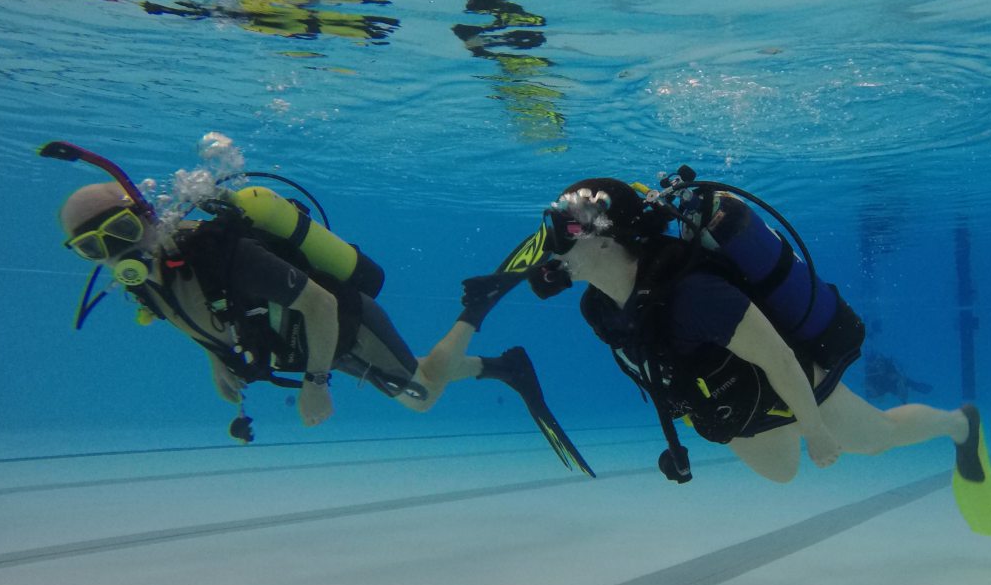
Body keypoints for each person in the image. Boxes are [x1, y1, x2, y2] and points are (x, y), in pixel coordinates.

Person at [494, 170, 991, 538]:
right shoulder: (599, 309)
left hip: (790, 378)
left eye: (561, 233)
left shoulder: (695, 295)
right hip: (736, 403)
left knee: (875, 438)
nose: (549, 247)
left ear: (605, 243)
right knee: (782, 473)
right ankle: (794, 427)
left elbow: (779, 359)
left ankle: (960, 425)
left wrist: (814, 427)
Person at [47, 141, 589, 472]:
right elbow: (193, 317)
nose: (118, 254)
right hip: (309, 345)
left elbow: (321, 302)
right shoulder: (145, 282)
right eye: (95, 249)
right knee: (420, 384)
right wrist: (215, 357)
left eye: (120, 232)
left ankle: (479, 304)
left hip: (341, 326)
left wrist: (315, 384)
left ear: (144, 214)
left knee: (421, 395)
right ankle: (505, 367)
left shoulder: (222, 255)